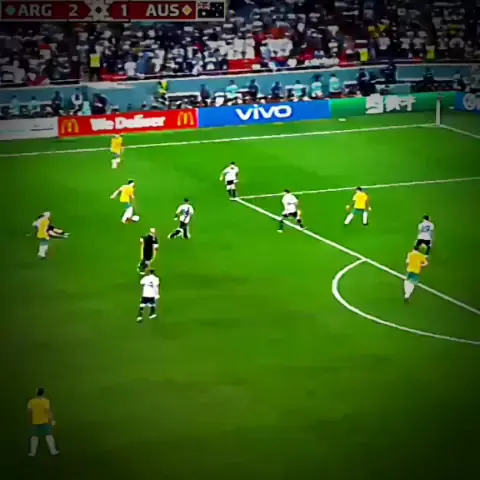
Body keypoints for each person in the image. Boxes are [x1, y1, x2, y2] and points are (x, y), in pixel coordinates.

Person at [27, 388, 59, 457]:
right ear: (43, 393)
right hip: (45, 422)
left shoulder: (31, 401)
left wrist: (31, 420)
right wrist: (52, 420)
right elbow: (48, 412)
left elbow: (30, 411)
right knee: (49, 436)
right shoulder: (45, 401)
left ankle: (32, 453)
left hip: (35, 422)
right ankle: (53, 451)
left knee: (34, 437)